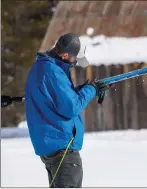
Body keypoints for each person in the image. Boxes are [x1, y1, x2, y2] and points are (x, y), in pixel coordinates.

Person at [24, 33, 108, 188]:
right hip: (62, 148)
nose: (75, 63)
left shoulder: (42, 67)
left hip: (51, 146)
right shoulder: (53, 71)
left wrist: (84, 89)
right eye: (75, 59)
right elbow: (71, 107)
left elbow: (56, 99)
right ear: (64, 55)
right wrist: (90, 89)